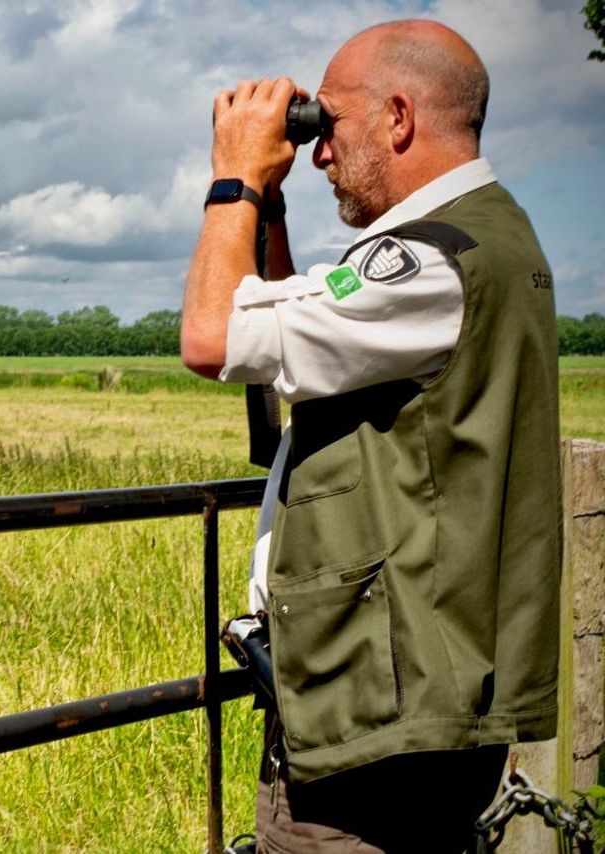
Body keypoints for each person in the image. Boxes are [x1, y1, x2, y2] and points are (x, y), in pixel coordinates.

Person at [181, 20, 561, 852]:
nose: (317, 152)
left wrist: (233, 180)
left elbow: (213, 338)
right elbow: (302, 344)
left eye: (330, 124)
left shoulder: (433, 260)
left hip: (381, 713)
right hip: (411, 685)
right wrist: (272, 211)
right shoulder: (481, 236)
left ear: (398, 117)